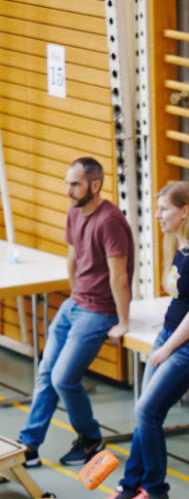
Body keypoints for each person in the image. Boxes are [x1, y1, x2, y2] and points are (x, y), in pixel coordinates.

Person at [95, 181, 189, 499]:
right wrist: (165, 328)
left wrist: (168, 347)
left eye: (165, 209)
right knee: (145, 412)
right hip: (172, 335)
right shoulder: (180, 249)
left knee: (147, 411)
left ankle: (156, 491)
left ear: (185, 211)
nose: (158, 216)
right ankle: (130, 485)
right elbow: (182, 301)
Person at [18, 157, 134, 467]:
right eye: (68, 183)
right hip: (76, 304)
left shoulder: (110, 220)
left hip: (99, 312)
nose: (69, 190)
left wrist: (123, 321)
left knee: (63, 378)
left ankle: (90, 439)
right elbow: (72, 259)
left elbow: (119, 275)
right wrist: (74, 295)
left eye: (75, 184)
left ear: (95, 185)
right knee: (46, 372)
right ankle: (28, 446)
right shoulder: (75, 213)